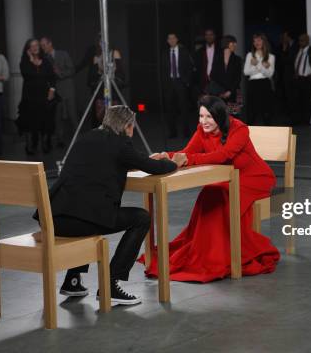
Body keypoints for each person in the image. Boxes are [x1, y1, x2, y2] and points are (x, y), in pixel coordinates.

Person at [33, 105, 178, 304]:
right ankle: (110, 284)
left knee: (89, 211)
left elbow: (107, 161)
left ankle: (73, 280)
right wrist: (174, 162)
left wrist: (138, 160)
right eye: (132, 127)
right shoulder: (121, 145)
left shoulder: (86, 138)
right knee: (140, 218)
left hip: (52, 216)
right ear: (127, 126)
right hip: (76, 221)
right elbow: (155, 167)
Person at [140, 95, 280, 282]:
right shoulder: (202, 130)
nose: (203, 121)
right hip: (229, 178)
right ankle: (207, 252)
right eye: (201, 116)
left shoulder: (239, 129)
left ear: (220, 116)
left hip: (254, 178)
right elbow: (189, 152)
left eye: (208, 117)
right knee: (209, 194)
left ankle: (219, 256)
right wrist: (167, 155)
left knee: (221, 197)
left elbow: (223, 155)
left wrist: (189, 159)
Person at [16, 38, 57, 154]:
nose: (34, 48)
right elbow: (29, 75)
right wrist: (30, 59)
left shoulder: (46, 61)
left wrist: (52, 90)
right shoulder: (24, 62)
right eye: (31, 46)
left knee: (45, 121)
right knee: (31, 123)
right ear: (28, 49)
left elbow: (52, 77)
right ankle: (31, 146)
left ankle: (45, 144)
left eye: (36, 45)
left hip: (44, 96)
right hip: (30, 97)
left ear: (39, 47)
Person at [40, 37, 77, 147]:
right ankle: (60, 140)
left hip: (68, 88)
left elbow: (72, 69)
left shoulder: (63, 54)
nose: (43, 48)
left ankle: (78, 138)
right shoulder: (44, 59)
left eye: (44, 45)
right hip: (55, 90)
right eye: (41, 46)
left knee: (72, 115)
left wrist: (59, 72)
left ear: (50, 43)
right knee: (57, 116)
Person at [162, 33, 194, 138]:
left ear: (177, 40)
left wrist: (187, 81)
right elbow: (162, 69)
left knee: (184, 108)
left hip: (181, 82)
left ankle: (186, 132)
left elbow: (190, 67)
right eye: (169, 38)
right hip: (169, 83)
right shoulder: (165, 53)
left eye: (173, 38)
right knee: (170, 109)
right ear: (167, 41)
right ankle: (172, 133)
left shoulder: (184, 52)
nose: (171, 40)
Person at [244, 33, 275, 125]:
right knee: (251, 112)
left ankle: (268, 135)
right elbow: (246, 72)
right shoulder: (250, 55)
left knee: (266, 112)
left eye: (259, 40)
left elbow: (270, 74)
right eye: (254, 41)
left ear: (264, 41)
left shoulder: (271, 56)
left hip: (265, 84)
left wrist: (257, 65)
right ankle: (250, 136)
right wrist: (263, 67)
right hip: (253, 84)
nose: (256, 42)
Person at [208, 35, 242, 104]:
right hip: (219, 93)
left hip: (234, 92)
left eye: (235, 43)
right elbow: (213, 75)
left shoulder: (238, 60)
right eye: (233, 43)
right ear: (226, 44)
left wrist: (230, 91)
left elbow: (238, 78)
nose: (235, 45)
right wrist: (222, 91)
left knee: (233, 114)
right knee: (220, 113)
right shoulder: (217, 58)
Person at [193, 28, 220, 99]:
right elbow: (197, 69)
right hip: (203, 83)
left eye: (211, 34)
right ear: (205, 37)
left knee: (216, 106)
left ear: (214, 36)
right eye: (207, 35)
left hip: (217, 83)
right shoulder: (199, 52)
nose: (209, 37)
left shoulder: (220, 51)